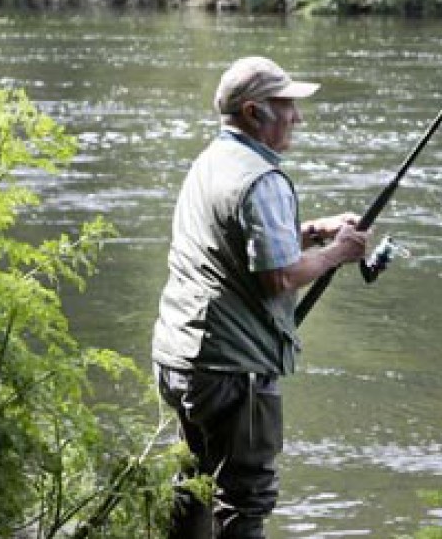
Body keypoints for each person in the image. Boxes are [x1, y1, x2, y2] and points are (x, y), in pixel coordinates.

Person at [152, 56, 371, 538]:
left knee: (194, 484)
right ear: (254, 112)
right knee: (244, 500)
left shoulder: (211, 161)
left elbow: (240, 245)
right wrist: (338, 254)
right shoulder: (262, 178)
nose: (297, 116)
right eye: (286, 105)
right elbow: (278, 277)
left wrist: (313, 232)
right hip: (232, 370)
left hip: (180, 357)